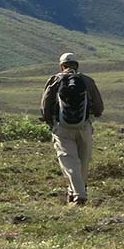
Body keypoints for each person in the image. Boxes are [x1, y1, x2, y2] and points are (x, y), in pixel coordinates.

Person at [40, 53, 104, 206]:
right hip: (84, 126)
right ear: (76, 65)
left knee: (69, 161)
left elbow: (45, 105)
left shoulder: (55, 80)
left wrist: (51, 122)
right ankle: (75, 193)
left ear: (62, 66)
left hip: (62, 127)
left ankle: (78, 195)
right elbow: (99, 107)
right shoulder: (87, 80)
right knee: (83, 162)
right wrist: (91, 117)